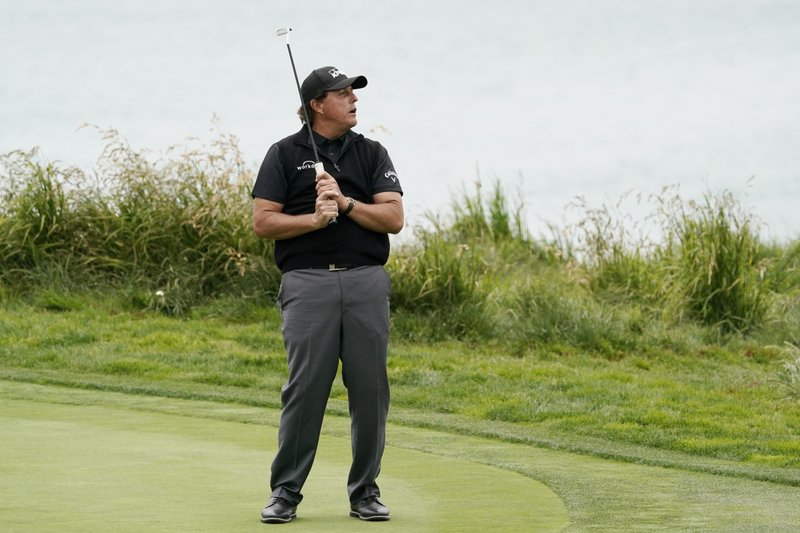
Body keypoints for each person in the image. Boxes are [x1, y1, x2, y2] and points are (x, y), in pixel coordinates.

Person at [252, 65, 404, 523]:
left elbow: (394, 218)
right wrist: (314, 221)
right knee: (306, 390)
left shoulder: (371, 152)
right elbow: (263, 222)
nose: (353, 99)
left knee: (371, 390)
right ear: (318, 104)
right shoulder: (283, 154)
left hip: (365, 281)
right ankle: (285, 492)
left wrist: (346, 204)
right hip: (308, 283)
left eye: (353, 92)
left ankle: (365, 493)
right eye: (342, 94)